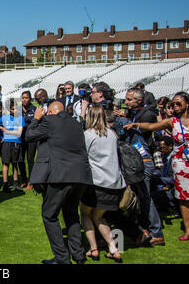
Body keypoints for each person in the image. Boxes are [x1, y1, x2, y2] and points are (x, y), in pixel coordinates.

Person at [25, 101, 93, 264]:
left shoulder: (49, 121)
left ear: (50, 112)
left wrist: (36, 118)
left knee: (49, 215)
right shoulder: (77, 124)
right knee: (71, 214)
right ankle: (78, 255)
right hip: (80, 176)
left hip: (60, 176)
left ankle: (62, 258)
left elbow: (29, 136)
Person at [124, 91, 189, 242]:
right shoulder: (172, 122)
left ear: (187, 104)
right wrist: (137, 124)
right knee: (184, 197)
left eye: (178, 103)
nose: (175, 106)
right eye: (173, 104)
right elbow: (152, 126)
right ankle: (188, 230)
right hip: (181, 163)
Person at [116, 87, 165, 246]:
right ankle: (143, 228)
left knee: (145, 198)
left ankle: (156, 231)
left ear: (139, 100)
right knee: (138, 197)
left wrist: (133, 122)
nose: (126, 102)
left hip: (144, 160)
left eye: (129, 100)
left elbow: (146, 128)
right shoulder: (133, 113)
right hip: (136, 160)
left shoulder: (148, 114)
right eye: (126, 99)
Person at [80, 105, 125, 263]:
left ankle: (93, 248)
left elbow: (82, 157)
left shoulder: (88, 135)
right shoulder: (112, 134)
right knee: (99, 216)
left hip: (96, 182)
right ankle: (113, 248)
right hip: (114, 183)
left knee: (85, 213)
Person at [0, 98, 24, 193]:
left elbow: (19, 133)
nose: (15, 110)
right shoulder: (4, 117)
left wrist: (7, 131)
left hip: (16, 143)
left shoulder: (20, 117)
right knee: (5, 164)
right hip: (6, 143)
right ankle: (5, 184)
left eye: (16, 108)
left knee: (15, 163)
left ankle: (15, 184)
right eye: (13, 109)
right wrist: (2, 135)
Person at [18, 91, 37, 189]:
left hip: (31, 139)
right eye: (23, 97)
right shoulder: (17, 110)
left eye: (26, 98)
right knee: (20, 159)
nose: (24, 99)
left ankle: (31, 181)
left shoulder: (34, 109)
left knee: (30, 159)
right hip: (20, 138)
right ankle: (23, 180)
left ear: (30, 98)